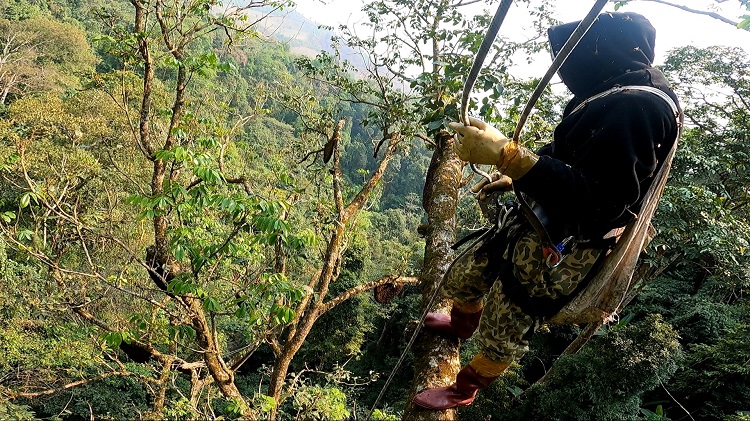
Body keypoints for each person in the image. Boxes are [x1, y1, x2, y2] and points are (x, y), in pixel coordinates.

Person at [412, 11, 682, 410]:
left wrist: (512, 159)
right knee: (471, 268)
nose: (564, 72)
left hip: (571, 241)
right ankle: (461, 321)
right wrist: (519, 174)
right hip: (543, 213)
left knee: (511, 313)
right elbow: (576, 151)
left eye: (573, 58)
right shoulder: (614, 85)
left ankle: (465, 387)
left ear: (601, 51)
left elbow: (603, 203)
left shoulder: (637, 107)